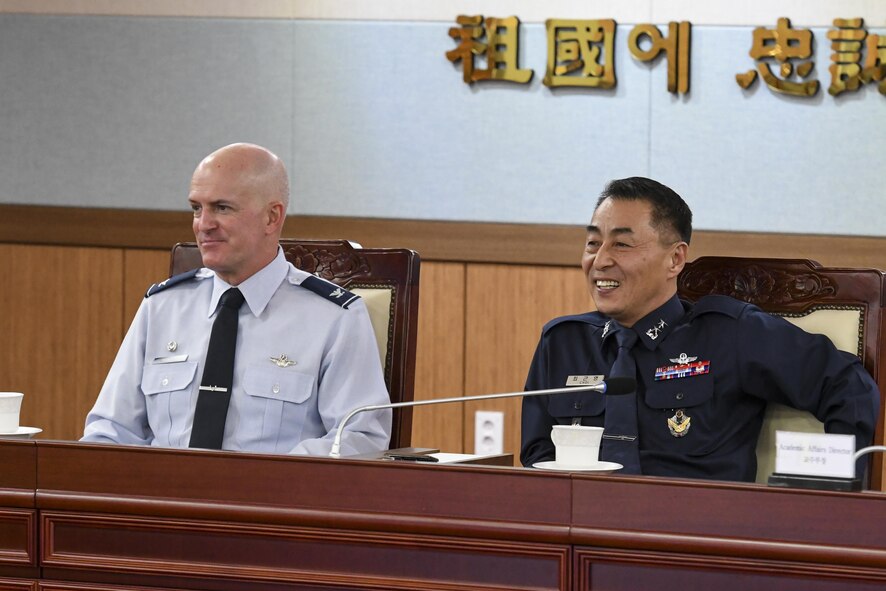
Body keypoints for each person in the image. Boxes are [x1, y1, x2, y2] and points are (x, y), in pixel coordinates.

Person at [520, 176, 879, 482]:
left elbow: (849, 387)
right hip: (585, 538)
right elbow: (537, 457)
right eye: (593, 243)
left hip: (696, 543)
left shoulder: (731, 335)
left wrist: (827, 495)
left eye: (622, 244)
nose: (600, 261)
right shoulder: (563, 342)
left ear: (675, 259)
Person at [82, 143, 391, 456]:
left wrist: (264, 484)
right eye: (196, 208)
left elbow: (359, 439)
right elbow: (110, 432)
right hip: (165, 498)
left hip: (272, 500)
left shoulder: (333, 317)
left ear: (272, 217)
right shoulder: (163, 306)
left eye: (222, 208)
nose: (203, 225)